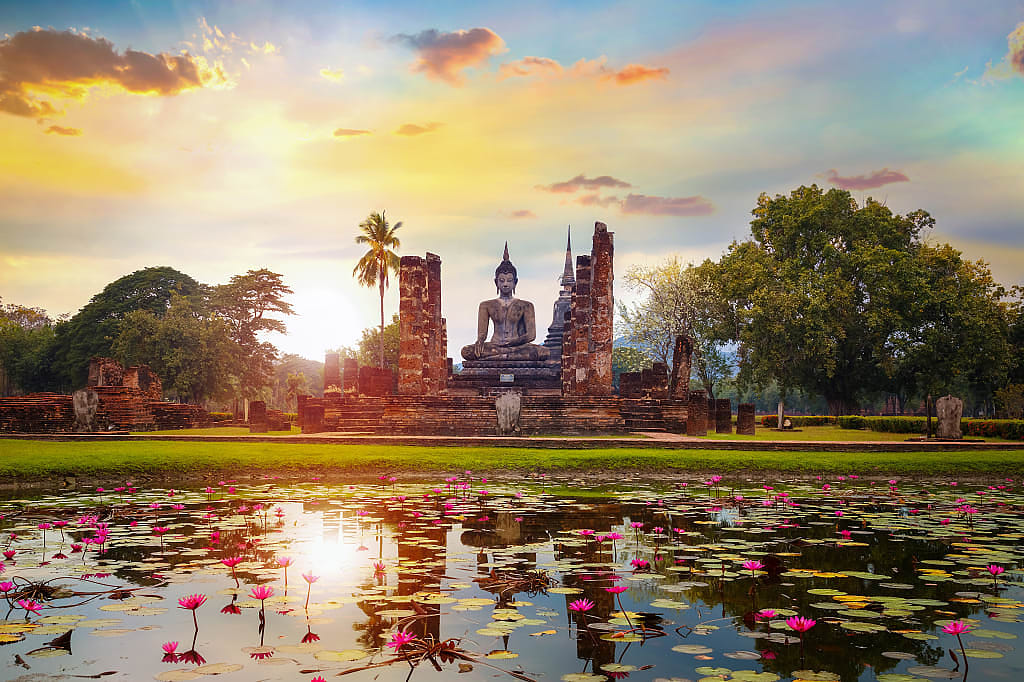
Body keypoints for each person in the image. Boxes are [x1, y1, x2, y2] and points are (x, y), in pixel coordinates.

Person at [461, 244, 550, 361]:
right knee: (466, 351)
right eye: (502, 280)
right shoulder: (486, 305)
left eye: (509, 280)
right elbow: (482, 335)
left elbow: (531, 335)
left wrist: (513, 343)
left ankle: (500, 357)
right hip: (495, 346)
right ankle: (505, 356)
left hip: (518, 347)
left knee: (544, 352)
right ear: (496, 282)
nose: (505, 284)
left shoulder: (526, 305)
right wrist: (479, 342)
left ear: (515, 282)